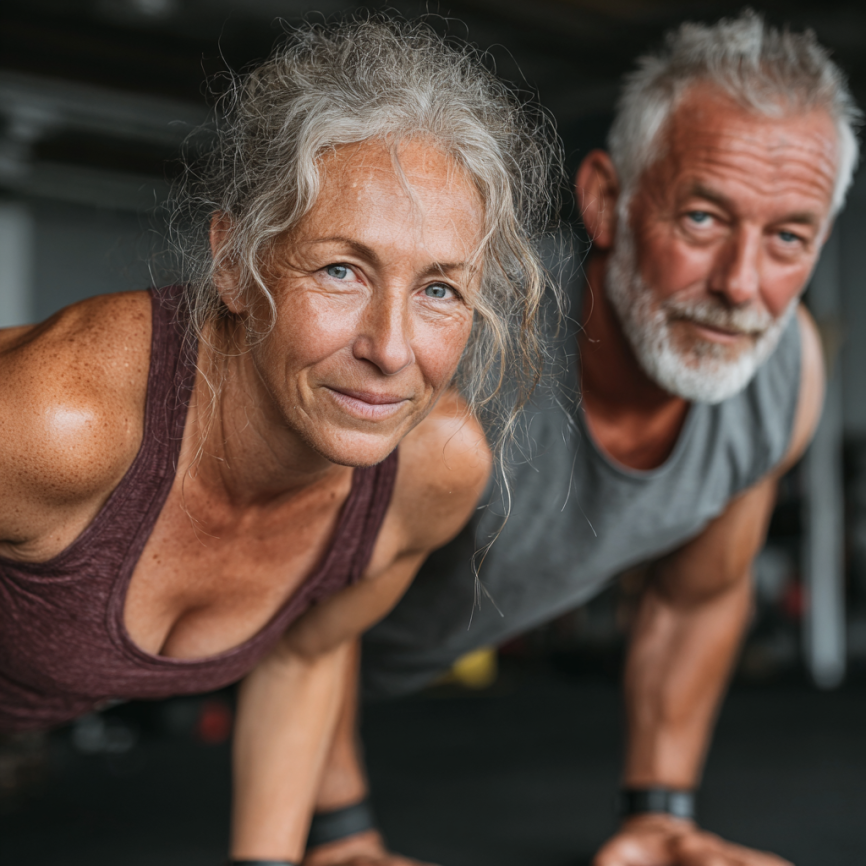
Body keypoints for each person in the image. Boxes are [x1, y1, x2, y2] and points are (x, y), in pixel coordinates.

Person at [0, 17, 563, 865]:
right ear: (234, 264)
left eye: (440, 289)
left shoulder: (432, 471)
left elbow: (304, 656)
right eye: (341, 270)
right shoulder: (58, 425)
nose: (391, 348)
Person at [303, 12, 861, 866]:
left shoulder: (784, 377)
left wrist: (659, 814)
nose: (741, 285)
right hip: (207, 652)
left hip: (387, 682)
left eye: (789, 237)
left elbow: (697, 598)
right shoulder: (463, 348)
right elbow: (299, 610)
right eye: (703, 218)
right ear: (605, 199)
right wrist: (341, 835)